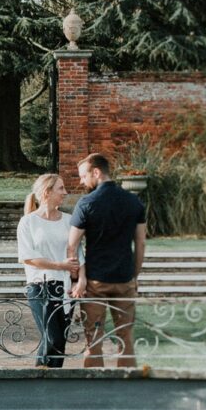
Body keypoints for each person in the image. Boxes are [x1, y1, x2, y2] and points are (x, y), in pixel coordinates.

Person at [67, 153, 146, 369]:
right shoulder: (134, 202)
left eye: (83, 176)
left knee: (93, 340)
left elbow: (72, 246)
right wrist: (134, 277)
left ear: (96, 172)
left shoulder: (87, 203)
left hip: (95, 281)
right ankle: (127, 388)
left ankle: (93, 390)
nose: (82, 181)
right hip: (124, 279)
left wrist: (75, 279)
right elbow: (140, 244)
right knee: (126, 338)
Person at [17, 173, 82, 368]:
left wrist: (80, 281)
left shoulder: (69, 221)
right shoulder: (28, 222)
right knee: (52, 338)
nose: (65, 192)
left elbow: (79, 253)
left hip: (66, 288)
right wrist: (60, 265)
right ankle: (39, 382)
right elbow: (28, 257)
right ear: (47, 192)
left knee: (60, 342)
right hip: (40, 287)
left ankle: (51, 386)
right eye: (61, 188)